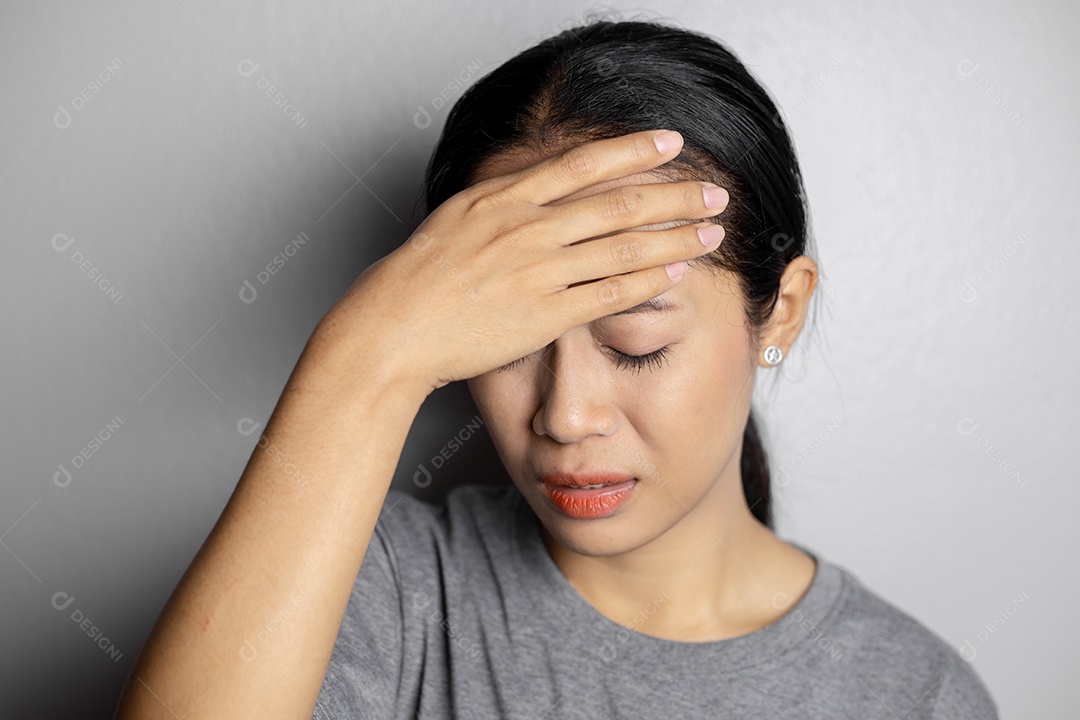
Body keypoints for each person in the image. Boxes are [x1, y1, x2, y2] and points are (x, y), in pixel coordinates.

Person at [114, 17, 1000, 720]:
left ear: (784, 311)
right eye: (506, 344)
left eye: (635, 343)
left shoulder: (913, 694)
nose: (565, 416)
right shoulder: (374, 585)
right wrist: (363, 355)